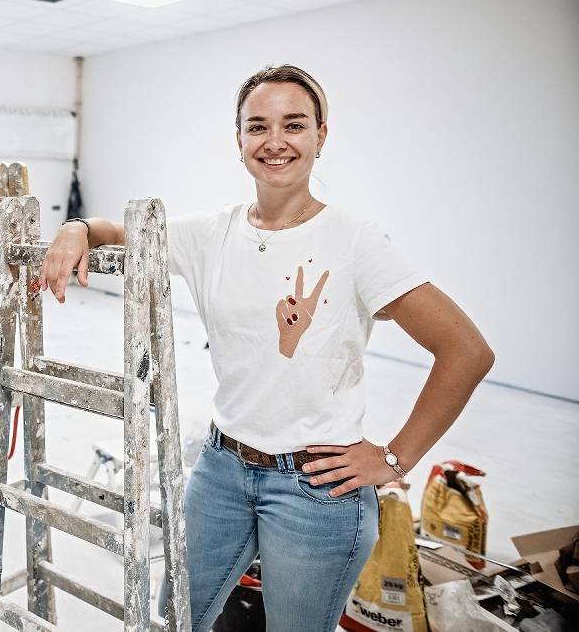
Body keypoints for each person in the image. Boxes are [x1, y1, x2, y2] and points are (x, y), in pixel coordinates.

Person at [40, 65, 494, 632]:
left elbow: (467, 351)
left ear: (321, 136)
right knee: (173, 621)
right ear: (239, 140)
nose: (274, 141)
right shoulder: (212, 233)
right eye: (258, 126)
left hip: (318, 489)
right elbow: (116, 230)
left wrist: (393, 457)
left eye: (294, 125)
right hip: (221, 470)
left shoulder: (356, 241)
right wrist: (76, 228)